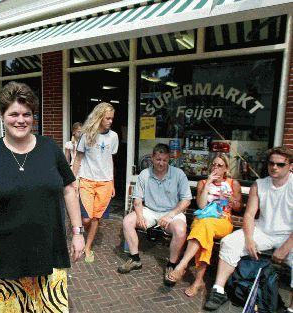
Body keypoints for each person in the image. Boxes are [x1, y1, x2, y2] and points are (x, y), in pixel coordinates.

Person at [0, 81, 85, 312]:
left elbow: (70, 188)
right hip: (7, 259)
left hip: (49, 254)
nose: (20, 120)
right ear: (2, 115)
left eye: (27, 114)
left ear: (33, 117)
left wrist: (78, 233)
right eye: (13, 114)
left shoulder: (50, 148)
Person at [204, 147, 293, 311]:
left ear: (291, 166)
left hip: (289, 236)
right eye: (271, 163)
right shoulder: (259, 185)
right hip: (264, 231)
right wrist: (250, 239)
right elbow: (250, 215)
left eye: (280, 164)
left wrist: (286, 247)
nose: (274, 167)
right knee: (230, 242)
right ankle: (218, 290)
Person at [166, 154, 242, 297]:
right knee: (204, 232)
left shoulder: (233, 183)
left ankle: (182, 265)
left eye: (219, 165)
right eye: (213, 164)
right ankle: (198, 281)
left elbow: (239, 208)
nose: (215, 168)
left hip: (222, 221)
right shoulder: (202, 182)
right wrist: (208, 184)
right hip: (203, 220)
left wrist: (230, 198)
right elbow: (201, 205)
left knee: (203, 228)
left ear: (226, 169)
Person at [118, 143, 192, 285]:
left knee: (181, 231)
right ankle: (135, 259)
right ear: (152, 158)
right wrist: (139, 216)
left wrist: (170, 215)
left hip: (172, 212)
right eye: (158, 159)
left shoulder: (178, 174)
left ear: (169, 159)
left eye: (164, 160)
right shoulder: (144, 174)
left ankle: (171, 264)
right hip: (150, 211)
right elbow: (138, 200)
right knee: (127, 221)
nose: (161, 163)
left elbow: (186, 200)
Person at [72, 102, 118, 263]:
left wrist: (112, 182)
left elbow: (110, 160)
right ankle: (78, 234)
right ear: (99, 117)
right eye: (107, 118)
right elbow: (78, 159)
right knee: (86, 219)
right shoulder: (87, 135)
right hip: (87, 180)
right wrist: (73, 181)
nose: (110, 121)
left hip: (105, 182)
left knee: (96, 218)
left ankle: (88, 246)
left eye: (112, 118)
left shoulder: (114, 136)